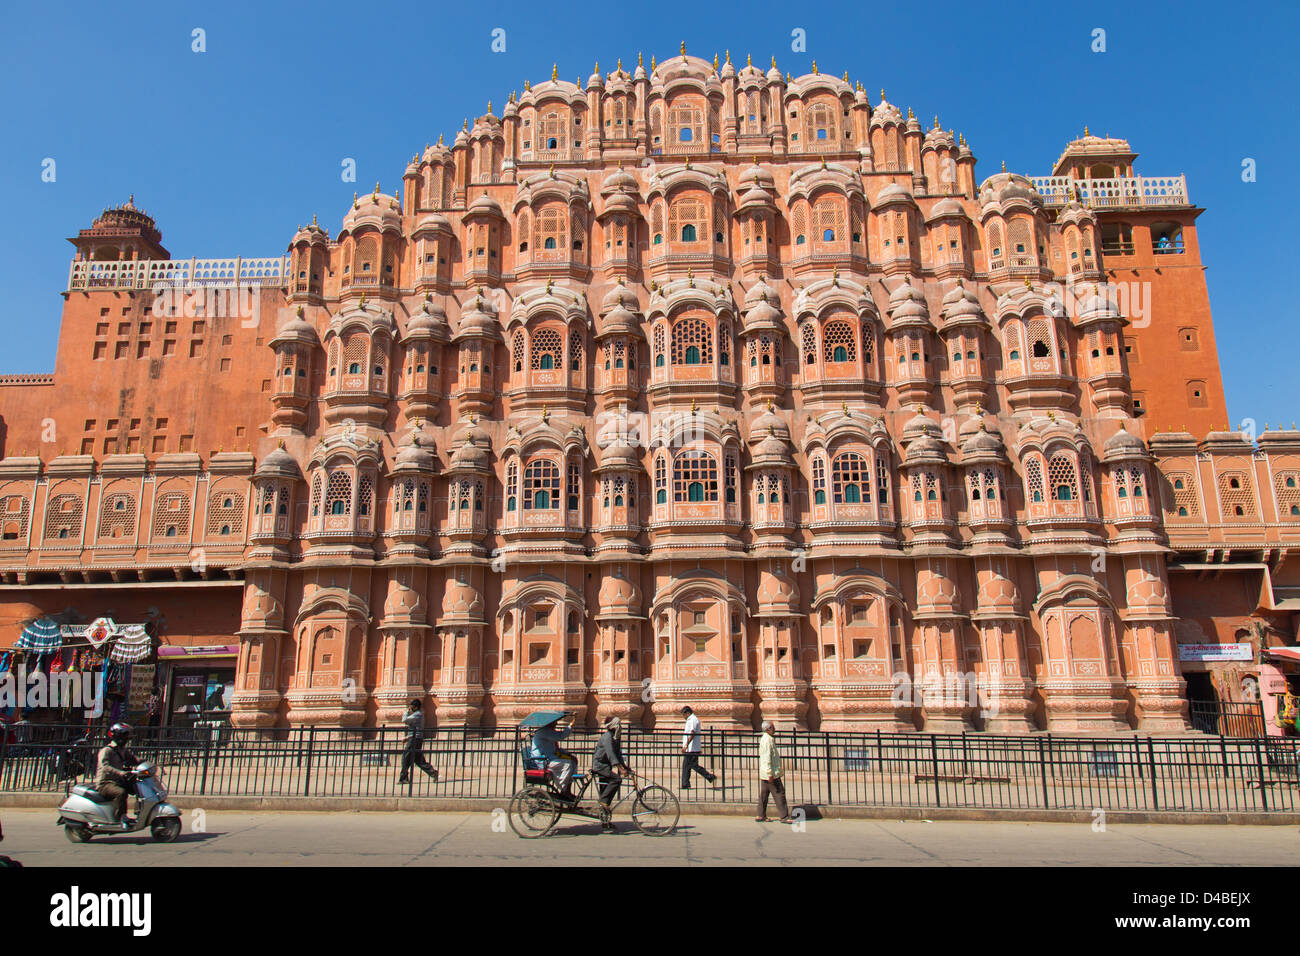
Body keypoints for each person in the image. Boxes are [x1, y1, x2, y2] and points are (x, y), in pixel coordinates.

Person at [94, 722, 141, 824]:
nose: (127, 739)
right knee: (121, 792)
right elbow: (105, 766)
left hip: (117, 781)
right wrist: (120, 773)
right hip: (105, 784)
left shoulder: (122, 750)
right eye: (125, 736)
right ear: (119, 736)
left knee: (137, 787)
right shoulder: (107, 750)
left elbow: (133, 759)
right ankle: (120, 818)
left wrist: (145, 763)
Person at [592, 716, 629, 832]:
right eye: (619, 725)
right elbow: (611, 754)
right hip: (600, 766)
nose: (620, 727)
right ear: (613, 726)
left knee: (605, 792)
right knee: (617, 780)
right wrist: (620, 769)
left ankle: (605, 821)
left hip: (606, 766)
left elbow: (617, 754)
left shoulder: (615, 738)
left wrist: (626, 767)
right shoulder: (607, 737)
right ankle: (603, 801)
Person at [530, 713, 577, 799]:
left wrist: (567, 753)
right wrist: (570, 725)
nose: (556, 724)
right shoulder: (544, 731)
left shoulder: (548, 732)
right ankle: (563, 788)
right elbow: (560, 736)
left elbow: (553, 748)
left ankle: (567, 789)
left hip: (550, 758)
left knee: (573, 761)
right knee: (567, 764)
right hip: (543, 761)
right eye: (555, 722)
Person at [756, 721, 793, 823]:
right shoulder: (768, 740)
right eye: (773, 727)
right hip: (771, 772)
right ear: (768, 728)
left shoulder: (765, 739)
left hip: (765, 772)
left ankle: (760, 815)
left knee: (764, 794)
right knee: (779, 793)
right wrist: (769, 773)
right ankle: (784, 816)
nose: (774, 728)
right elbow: (767, 757)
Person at [398, 699, 439, 784]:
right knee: (418, 760)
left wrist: (406, 712)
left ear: (416, 707)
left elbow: (404, 720)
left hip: (414, 740)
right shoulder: (417, 715)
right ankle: (432, 772)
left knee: (406, 758)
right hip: (415, 739)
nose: (410, 708)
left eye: (412, 707)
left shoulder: (417, 715)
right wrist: (407, 737)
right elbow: (415, 730)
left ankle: (404, 778)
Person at [679, 705, 718, 790]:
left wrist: (686, 745)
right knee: (686, 766)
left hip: (693, 748)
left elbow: (692, 732)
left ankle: (710, 776)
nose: (683, 717)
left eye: (684, 714)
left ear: (688, 713)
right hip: (690, 748)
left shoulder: (693, 720)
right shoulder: (690, 720)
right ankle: (685, 784)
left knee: (693, 765)